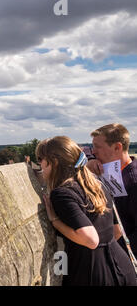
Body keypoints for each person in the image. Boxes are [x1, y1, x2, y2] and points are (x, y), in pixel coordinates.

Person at [37, 136, 136, 286]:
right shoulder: (97, 185)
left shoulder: (62, 193)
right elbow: (116, 231)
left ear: (54, 162)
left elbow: (91, 240)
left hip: (92, 274)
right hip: (123, 267)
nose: (39, 165)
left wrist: (55, 222)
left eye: (40, 159)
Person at [86, 123, 137, 257]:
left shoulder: (133, 181)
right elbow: (81, 150)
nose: (93, 151)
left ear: (117, 147)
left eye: (97, 147)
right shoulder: (109, 171)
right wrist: (91, 160)